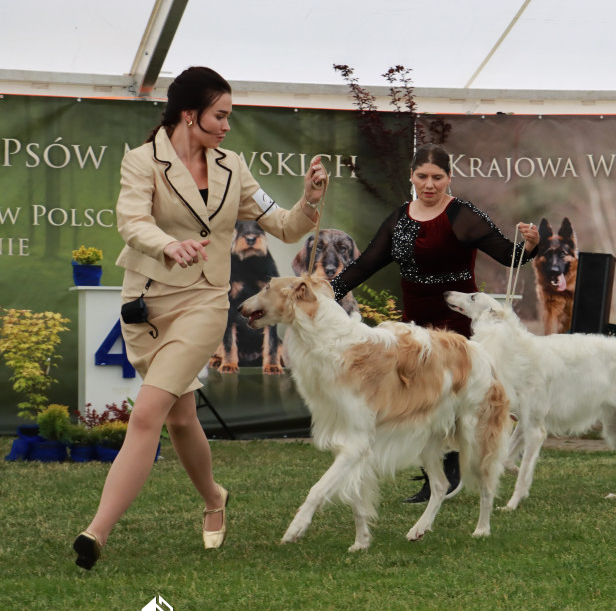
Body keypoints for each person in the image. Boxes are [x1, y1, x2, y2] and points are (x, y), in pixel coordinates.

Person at [72, 66, 327, 570]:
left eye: (229, 116)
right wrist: (170, 244)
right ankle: (214, 498)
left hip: (205, 303)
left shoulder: (233, 166)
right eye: (220, 115)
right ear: (190, 115)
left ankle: (95, 533)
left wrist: (310, 202)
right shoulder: (142, 162)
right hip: (146, 305)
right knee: (181, 418)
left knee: (146, 415)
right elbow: (132, 221)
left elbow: (282, 223)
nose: (227, 126)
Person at [330, 143, 540, 503]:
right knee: (423, 401)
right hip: (417, 327)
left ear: (448, 178)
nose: (429, 184)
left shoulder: (462, 215)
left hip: (455, 323)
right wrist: (327, 292)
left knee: (454, 400)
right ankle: (435, 474)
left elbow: (510, 255)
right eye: (422, 177)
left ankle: (453, 471)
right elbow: (366, 264)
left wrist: (531, 244)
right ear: (412, 177)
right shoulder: (399, 220)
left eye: (437, 177)